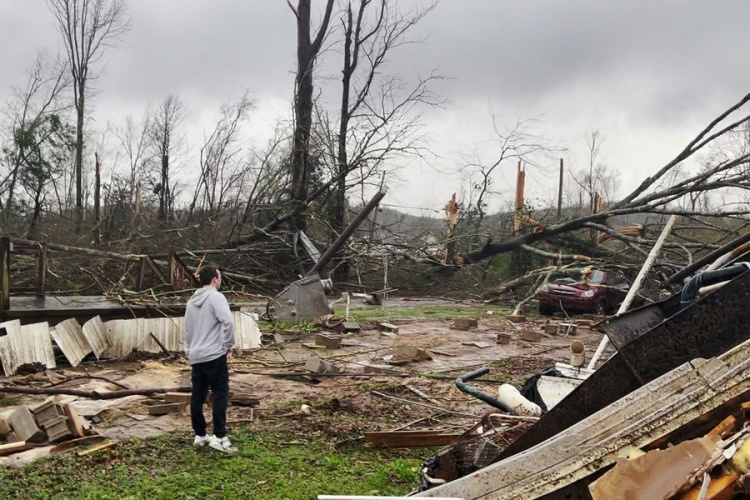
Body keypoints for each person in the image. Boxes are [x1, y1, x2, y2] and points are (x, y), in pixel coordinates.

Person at [184, 265, 237, 453]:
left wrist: (189, 350)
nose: (220, 281)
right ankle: (220, 436)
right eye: (220, 277)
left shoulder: (191, 301)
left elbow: (188, 329)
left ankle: (200, 435)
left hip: (196, 355)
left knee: (197, 396)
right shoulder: (216, 297)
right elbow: (227, 321)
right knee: (220, 394)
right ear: (214, 279)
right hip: (214, 354)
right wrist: (228, 345)